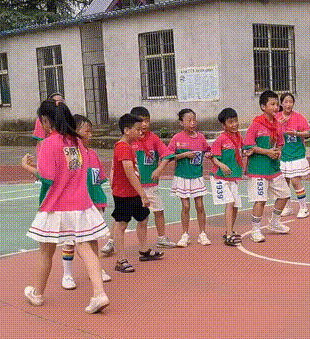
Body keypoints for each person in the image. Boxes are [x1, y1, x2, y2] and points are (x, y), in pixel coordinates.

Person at [24, 101, 110, 314]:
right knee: (85, 249)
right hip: (81, 205)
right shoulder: (77, 142)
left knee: (46, 252)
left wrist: (28, 167)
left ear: (45, 120)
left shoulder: (49, 143)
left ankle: (37, 293)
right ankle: (99, 293)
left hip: (57, 206)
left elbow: (47, 177)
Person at [100, 106, 178, 255]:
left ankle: (154, 242)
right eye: (140, 123)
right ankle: (114, 246)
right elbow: (123, 169)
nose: (143, 125)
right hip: (129, 190)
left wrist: (159, 169)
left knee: (148, 215)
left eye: (146, 121)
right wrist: (113, 179)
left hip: (145, 186)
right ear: (128, 129)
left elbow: (167, 155)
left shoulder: (151, 139)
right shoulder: (125, 146)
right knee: (120, 220)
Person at [109, 113, 162, 273]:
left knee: (143, 217)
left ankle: (144, 250)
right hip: (124, 194)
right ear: (127, 130)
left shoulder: (129, 146)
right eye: (137, 129)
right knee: (121, 225)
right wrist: (143, 194)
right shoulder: (122, 147)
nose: (140, 132)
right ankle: (121, 260)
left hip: (133, 193)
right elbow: (129, 172)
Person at [244, 90, 292, 242]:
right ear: (263, 107)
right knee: (261, 200)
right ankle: (255, 230)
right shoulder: (255, 125)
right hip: (258, 169)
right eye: (272, 104)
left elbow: (280, 143)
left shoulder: (278, 125)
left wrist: (278, 152)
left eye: (277, 104)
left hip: (274, 168)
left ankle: (274, 222)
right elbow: (248, 147)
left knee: (285, 195)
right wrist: (267, 152)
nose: (276, 107)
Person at [163, 109, 212, 247]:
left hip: (196, 176)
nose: (192, 123)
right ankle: (185, 234)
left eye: (194, 120)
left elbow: (208, 150)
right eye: (188, 120)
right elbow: (169, 156)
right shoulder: (176, 138)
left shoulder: (201, 138)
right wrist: (184, 155)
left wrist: (209, 154)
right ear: (181, 122)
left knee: (200, 205)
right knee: (185, 206)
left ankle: (202, 234)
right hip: (182, 176)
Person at [209, 108, 245, 246]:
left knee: (235, 204)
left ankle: (229, 230)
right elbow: (213, 157)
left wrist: (247, 152)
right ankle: (229, 235)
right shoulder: (221, 139)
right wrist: (222, 165)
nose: (234, 124)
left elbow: (241, 151)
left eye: (235, 121)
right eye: (230, 122)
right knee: (229, 202)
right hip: (220, 177)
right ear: (223, 125)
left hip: (233, 176)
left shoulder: (239, 137)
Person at [277, 93, 310, 219]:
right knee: (284, 183)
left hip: (297, 154)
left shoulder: (298, 117)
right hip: (283, 156)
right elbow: (271, 133)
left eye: (290, 102)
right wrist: (278, 125)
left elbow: (309, 133)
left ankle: (304, 208)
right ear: (281, 103)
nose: (288, 104)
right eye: (285, 102)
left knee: (296, 181)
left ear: (293, 103)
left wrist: (297, 133)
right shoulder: (277, 118)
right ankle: (287, 207)